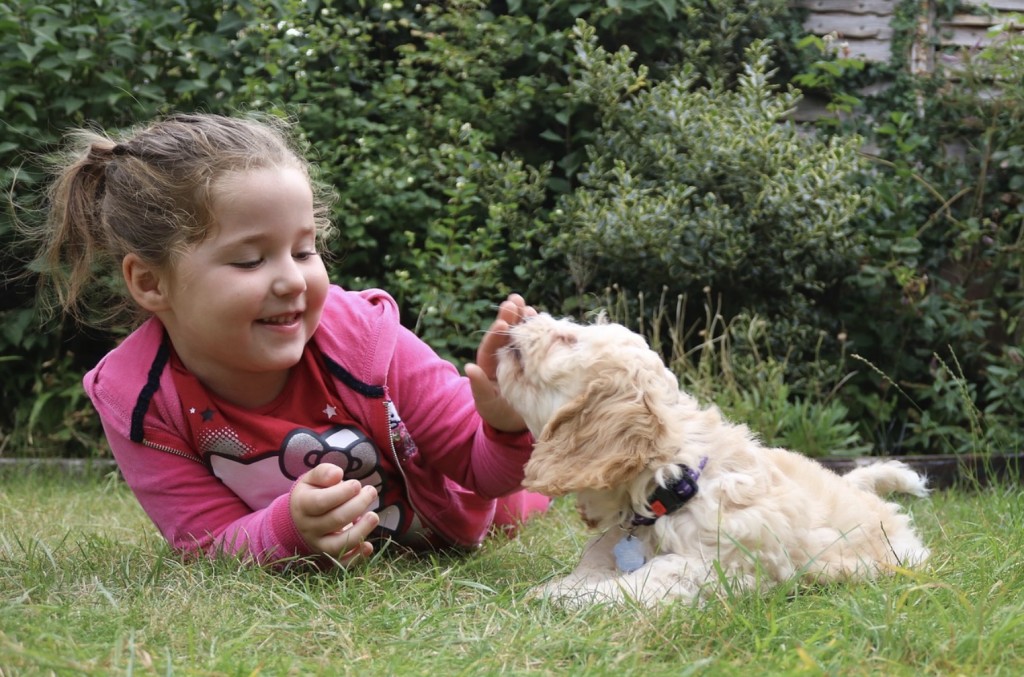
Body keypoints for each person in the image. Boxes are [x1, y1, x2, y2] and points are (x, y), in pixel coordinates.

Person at [35, 112, 548, 568]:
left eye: (304, 251)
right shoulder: (139, 400)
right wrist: (290, 531)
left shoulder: (367, 340)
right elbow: (207, 542)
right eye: (249, 260)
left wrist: (505, 424)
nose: (292, 281)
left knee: (525, 499)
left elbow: (481, 469)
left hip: (467, 505)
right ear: (150, 282)